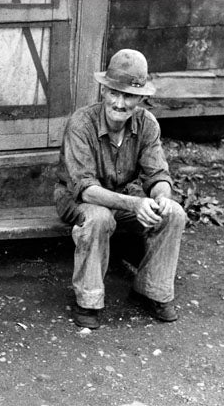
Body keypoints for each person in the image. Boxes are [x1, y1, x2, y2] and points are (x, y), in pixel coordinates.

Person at [54, 48, 187, 329]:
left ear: (140, 99)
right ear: (103, 91)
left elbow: (158, 174)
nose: (119, 102)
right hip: (76, 199)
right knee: (99, 217)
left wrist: (161, 197)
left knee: (173, 212)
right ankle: (88, 301)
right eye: (114, 92)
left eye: (128, 95)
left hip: (120, 197)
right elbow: (86, 189)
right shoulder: (81, 123)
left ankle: (152, 290)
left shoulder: (147, 124)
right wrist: (134, 204)